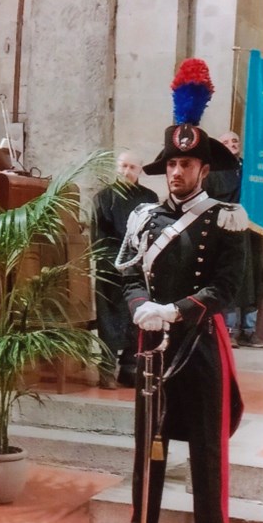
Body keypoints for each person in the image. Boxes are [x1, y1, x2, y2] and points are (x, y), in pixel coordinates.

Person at [113, 121, 246, 523]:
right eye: (171, 163)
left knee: (207, 449)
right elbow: (129, 273)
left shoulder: (226, 219)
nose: (175, 172)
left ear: (203, 169)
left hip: (200, 342)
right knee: (148, 444)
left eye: (185, 163)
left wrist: (175, 310)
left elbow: (227, 288)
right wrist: (138, 306)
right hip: (153, 345)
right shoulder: (144, 218)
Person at [90, 151, 158, 389]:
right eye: (123, 166)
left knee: (135, 317)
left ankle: (129, 368)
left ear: (139, 170)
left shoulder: (150, 198)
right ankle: (106, 369)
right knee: (108, 320)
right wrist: (116, 265)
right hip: (109, 268)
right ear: (117, 168)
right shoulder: (103, 197)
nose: (127, 171)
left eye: (132, 167)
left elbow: (152, 234)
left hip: (138, 267)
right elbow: (98, 239)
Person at [203, 131, 263, 349]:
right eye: (226, 142)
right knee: (229, 275)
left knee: (250, 278)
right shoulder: (213, 170)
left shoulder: (250, 169)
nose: (232, 145)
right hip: (226, 229)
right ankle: (230, 330)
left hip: (250, 229)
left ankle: (249, 330)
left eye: (235, 141)